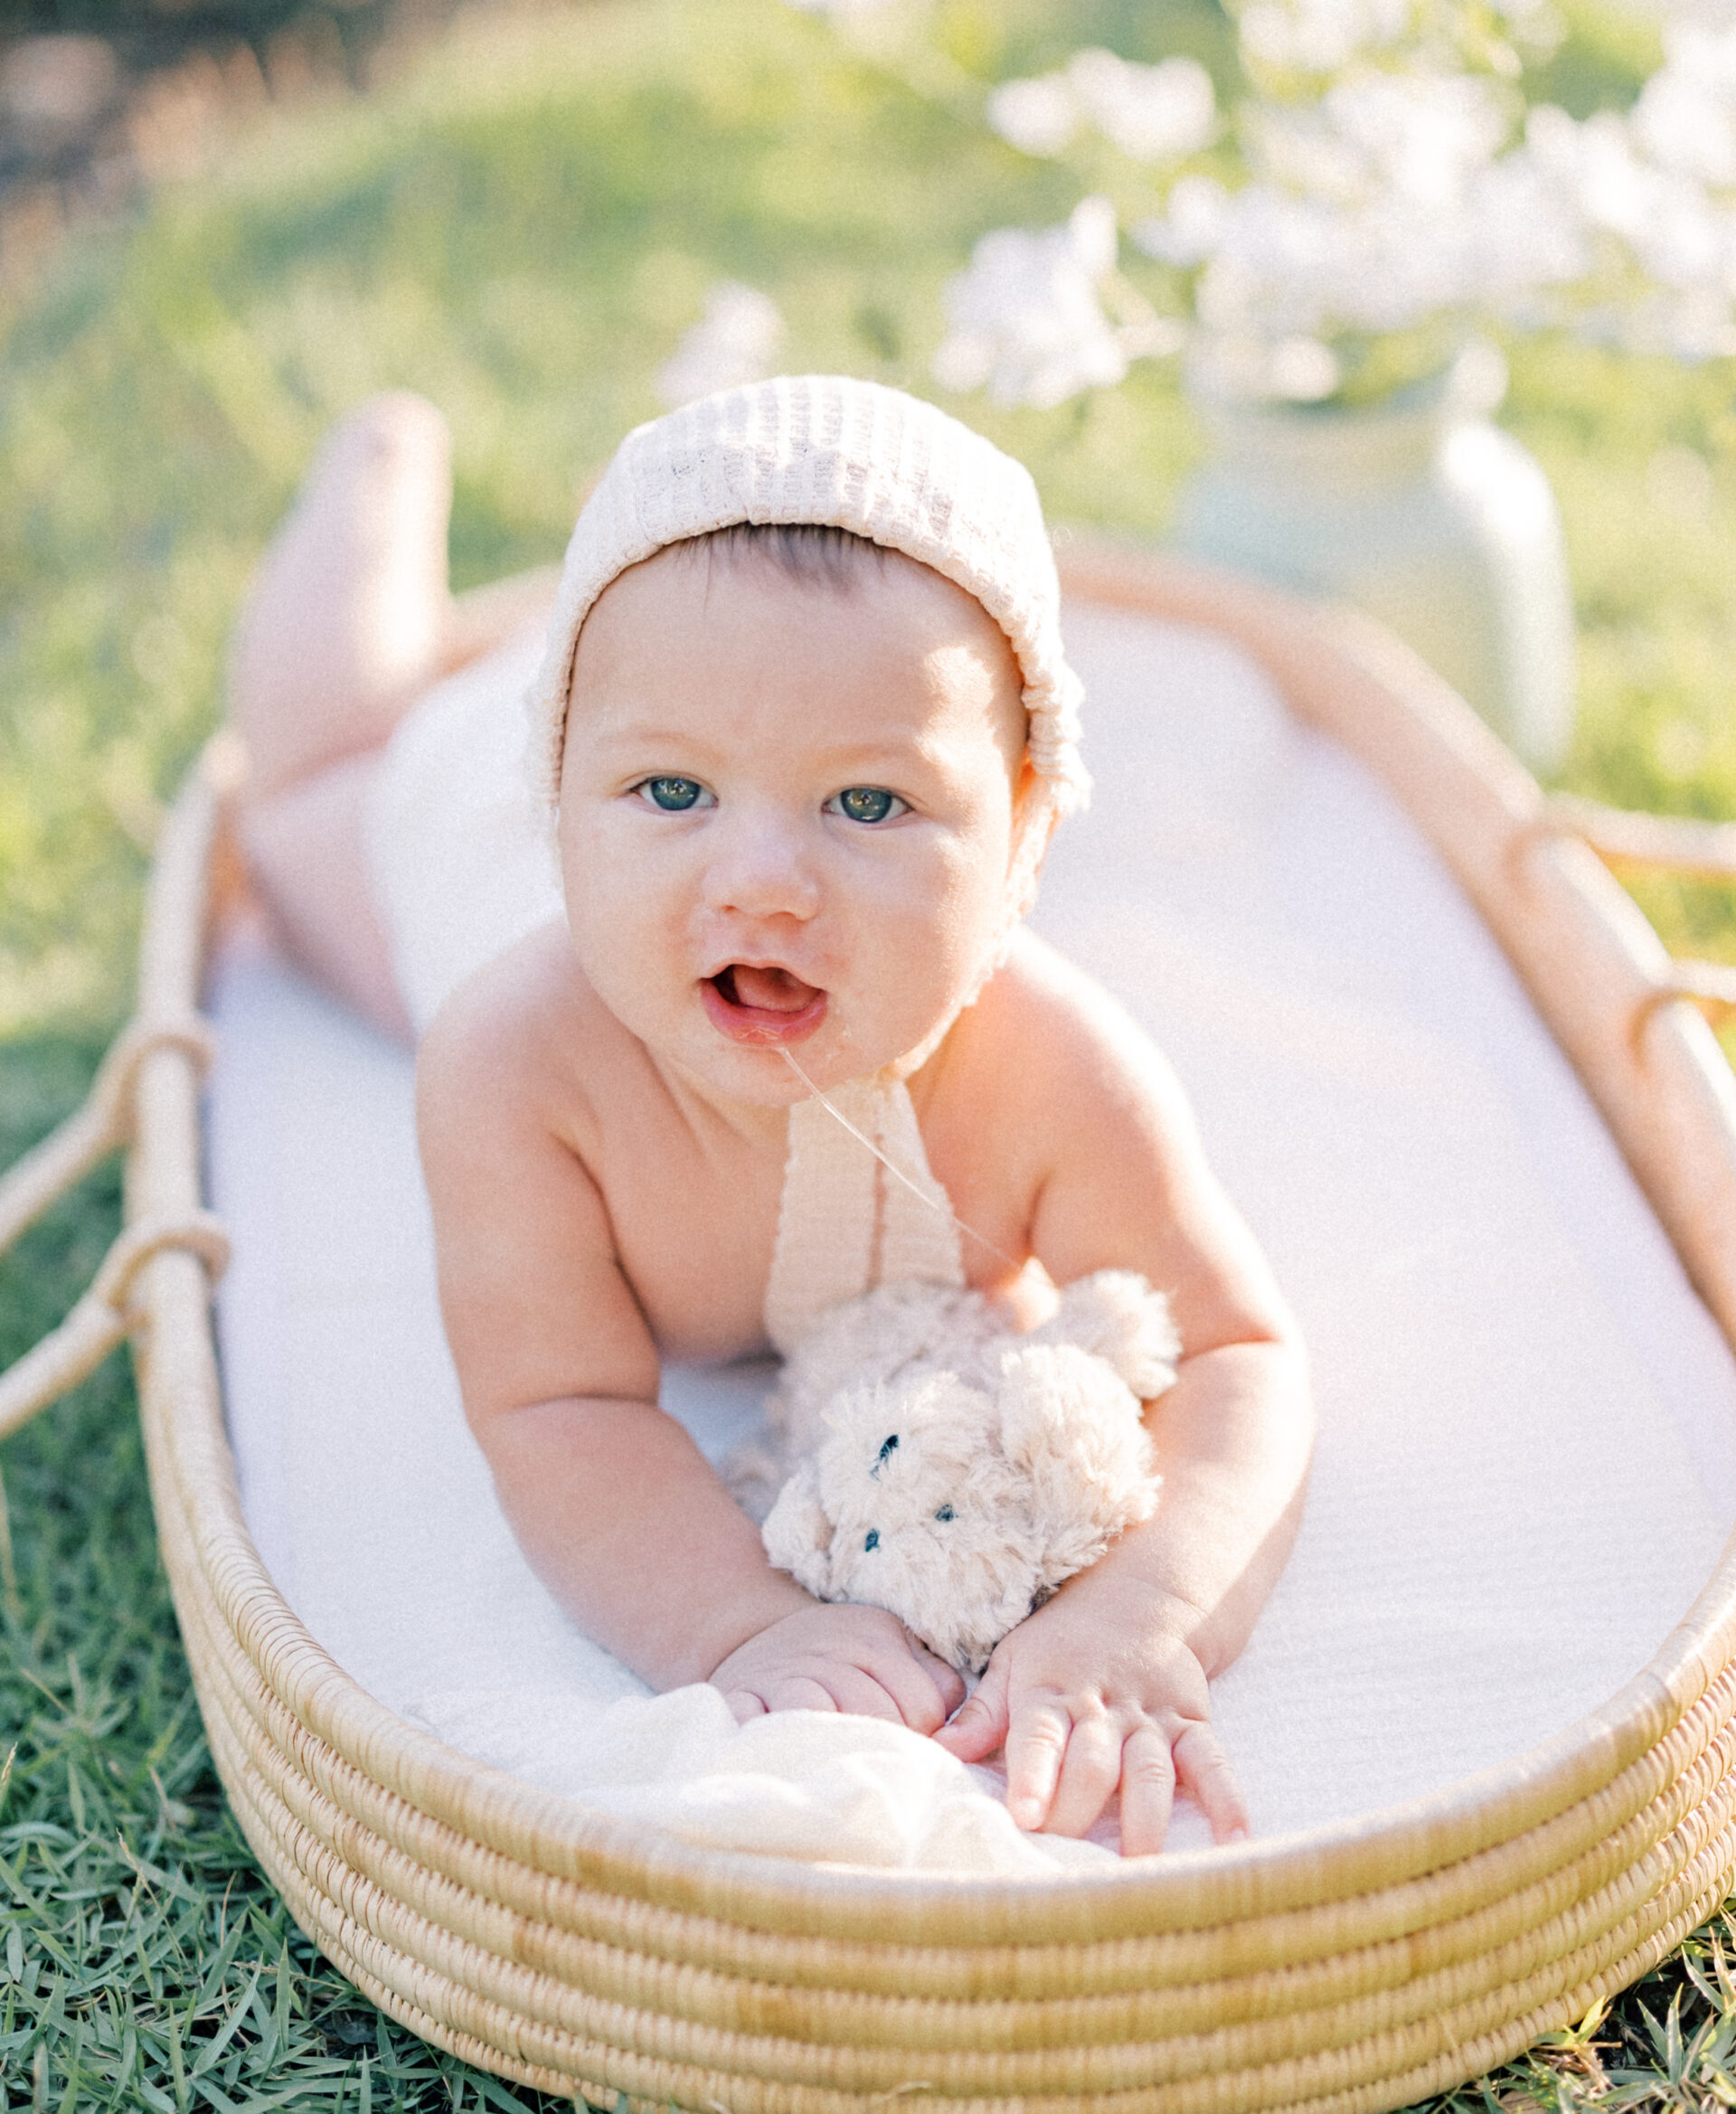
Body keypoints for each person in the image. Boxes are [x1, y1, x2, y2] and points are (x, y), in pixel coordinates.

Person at [230, 375, 1313, 1856]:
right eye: (672, 789)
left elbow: (1237, 1349)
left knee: (732, 704)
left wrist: (1146, 1604)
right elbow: (563, 1407)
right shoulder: (515, 1065)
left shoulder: (1050, 1067)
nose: (761, 883)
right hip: (450, 851)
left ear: (1026, 839)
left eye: (869, 805)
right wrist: (737, 1624)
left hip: (674, 751)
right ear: (562, 796)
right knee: (308, 786)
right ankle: (381, 451)